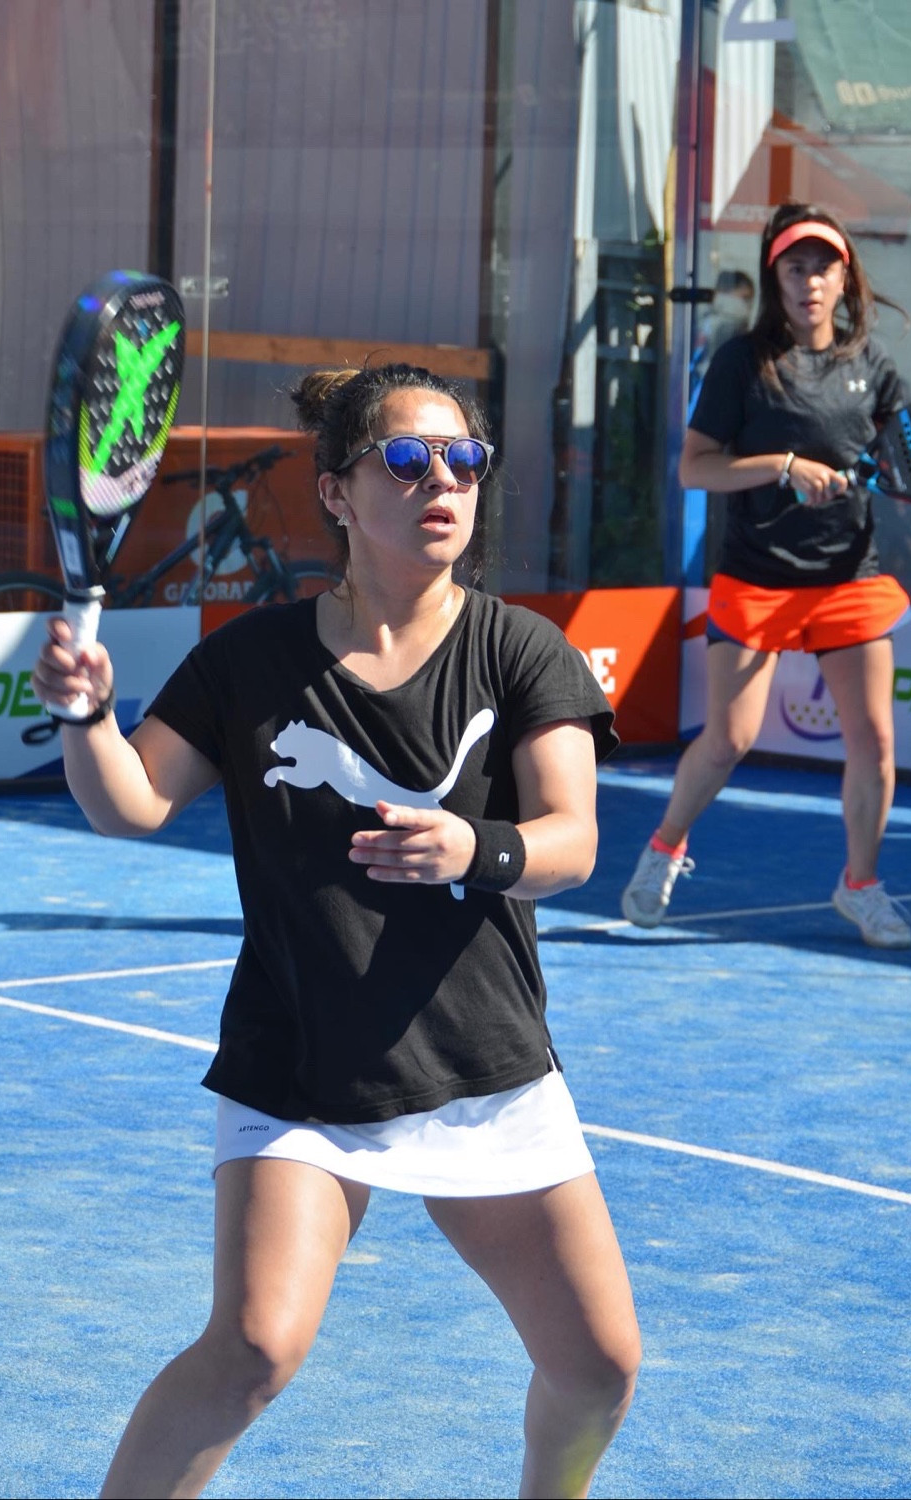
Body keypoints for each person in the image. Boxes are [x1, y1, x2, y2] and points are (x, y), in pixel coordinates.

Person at [32, 361, 640, 1499]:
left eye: (465, 460)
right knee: (253, 1348)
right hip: (302, 1067)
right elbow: (131, 803)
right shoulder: (251, 661)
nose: (442, 482)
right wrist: (88, 715)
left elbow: (572, 840)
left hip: (481, 1062)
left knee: (600, 1368)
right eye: (407, 460)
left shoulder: (521, 649)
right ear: (337, 494)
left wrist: (476, 848)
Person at [622, 201, 911, 949]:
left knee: (876, 743)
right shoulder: (742, 363)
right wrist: (784, 466)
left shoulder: (873, 368)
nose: (811, 282)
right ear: (777, 278)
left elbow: (905, 467)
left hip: (848, 578)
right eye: (796, 267)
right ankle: (665, 847)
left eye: (824, 267)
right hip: (757, 579)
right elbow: (695, 468)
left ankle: (860, 886)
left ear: (844, 278)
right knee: (728, 740)